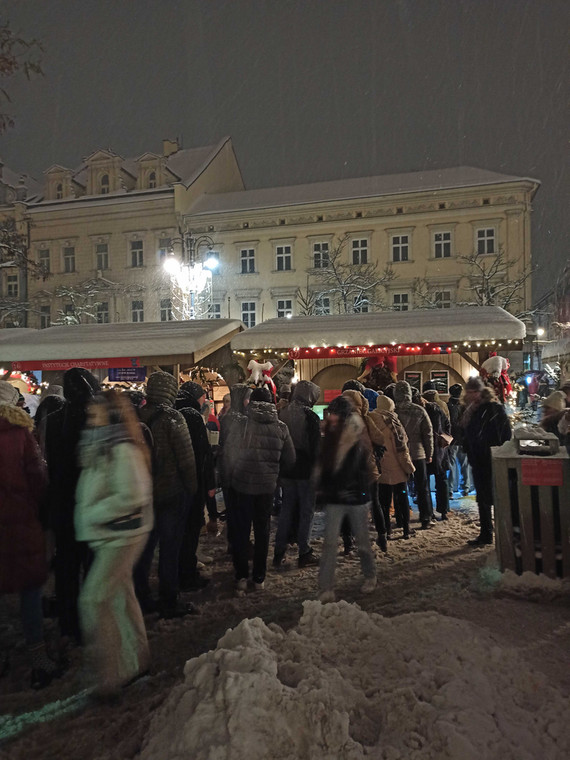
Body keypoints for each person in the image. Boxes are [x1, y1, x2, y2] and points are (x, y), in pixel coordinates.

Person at [75, 390, 153, 699]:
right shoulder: (101, 444)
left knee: (93, 601)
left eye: (96, 414)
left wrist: (93, 514)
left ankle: (109, 677)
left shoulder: (121, 448)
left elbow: (131, 496)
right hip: (110, 534)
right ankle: (137, 660)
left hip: (122, 535)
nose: (91, 420)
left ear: (112, 415)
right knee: (120, 597)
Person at [0, 381, 63, 689]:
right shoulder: (21, 436)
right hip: (20, 524)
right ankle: (39, 658)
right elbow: (38, 478)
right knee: (29, 593)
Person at [44, 367, 101, 643]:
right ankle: (90, 622)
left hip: (64, 504)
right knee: (92, 566)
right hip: (90, 504)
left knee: (67, 567)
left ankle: (69, 623)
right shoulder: (96, 419)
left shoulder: (54, 420)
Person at [134, 371, 198, 618]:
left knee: (145, 547)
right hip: (170, 493)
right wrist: (192, 489)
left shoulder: (136, 415)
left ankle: (141, 595)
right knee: (170, 548)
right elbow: (186, 459)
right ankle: (169, 597)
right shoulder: (174, 418)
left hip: (142, 493)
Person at [220, 386, 295, 596]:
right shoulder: (281, 427)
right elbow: (290, 460)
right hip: (266, 488)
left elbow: (229, 455)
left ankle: (241, 576)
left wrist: (230, 477)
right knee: (262, 532)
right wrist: (275, 475)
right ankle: (259, 577)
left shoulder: (241, 425)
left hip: (241, 486)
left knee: (241, 531)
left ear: (251, 402)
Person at [316, 395, 377, 602]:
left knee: (362, 542)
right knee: (330, 544)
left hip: (355, 497)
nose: (330, 417)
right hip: (335, 497)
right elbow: (325, 463)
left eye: (333, 414)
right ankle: (326, 587)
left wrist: (356, 489)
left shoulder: (357, 435)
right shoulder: (330, 435)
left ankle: (370, 575)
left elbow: (362, 468)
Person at [273, 380, 321, 569]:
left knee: (287, 510)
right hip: (305, 469)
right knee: (306, 511)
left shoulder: (283, 412)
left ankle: (279, 551)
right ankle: (304, 551)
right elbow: (315, 447)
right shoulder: (309, 416)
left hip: (287, 468)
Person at [175, 381, 217, 590]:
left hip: (174, 483)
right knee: (190, 531)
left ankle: (178, 572)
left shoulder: (174, 411)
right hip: (192, 482)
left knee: (180, 532)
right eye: (203, 396)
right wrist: (209, 483)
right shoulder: (192, 416)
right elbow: (203, 454)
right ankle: (187, 575)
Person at [462, 376, 512, 545]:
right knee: (482, 499)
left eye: (472, 392)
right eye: (468, 391)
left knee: (496, 497)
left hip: (492, 459)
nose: (469, 395)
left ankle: (502, 534)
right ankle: (486, 533)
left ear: (480, 391)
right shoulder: (471, 410)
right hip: (478, 460)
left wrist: (497, 452)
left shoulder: (493, 409)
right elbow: (468, 433)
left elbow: (504, 434)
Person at [342, 389, 388, 550]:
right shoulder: (366, 419)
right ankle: (382, 536)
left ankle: (348, 540)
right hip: (369, 468)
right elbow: (380, 438)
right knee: (375, 503)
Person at [370, 395, 415, 539]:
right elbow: (401, 450)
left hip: (380, 469)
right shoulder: (393, 423)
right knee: (402, 499)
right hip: (397, 470)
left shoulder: (370, 420)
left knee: (383, 502)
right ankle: (406, 530)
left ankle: (387, 529)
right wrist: (409, 468)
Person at [394, 381, 434, 529]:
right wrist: (429, 453)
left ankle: (401, 518)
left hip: (400, 454)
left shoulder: (394, 411)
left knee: (400, 487)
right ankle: (425, 517)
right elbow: (428, 433)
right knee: (422, 486)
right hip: (419, 453)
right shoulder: (419, 410)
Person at [421, 390, 451, 520]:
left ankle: (429, 512)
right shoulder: (439, 409)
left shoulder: (421, 411)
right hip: (440, 451)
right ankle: (444, 510)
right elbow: (448, 425)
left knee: (424, 483)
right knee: (442, 481)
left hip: (426, 450)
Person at [447, 383, 472, 497]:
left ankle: (450, 490)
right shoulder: (465, 406)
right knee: (464, 465)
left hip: (451, 439)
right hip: (463, 439)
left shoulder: (447, 406)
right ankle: (465, 488)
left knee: (451, 466)